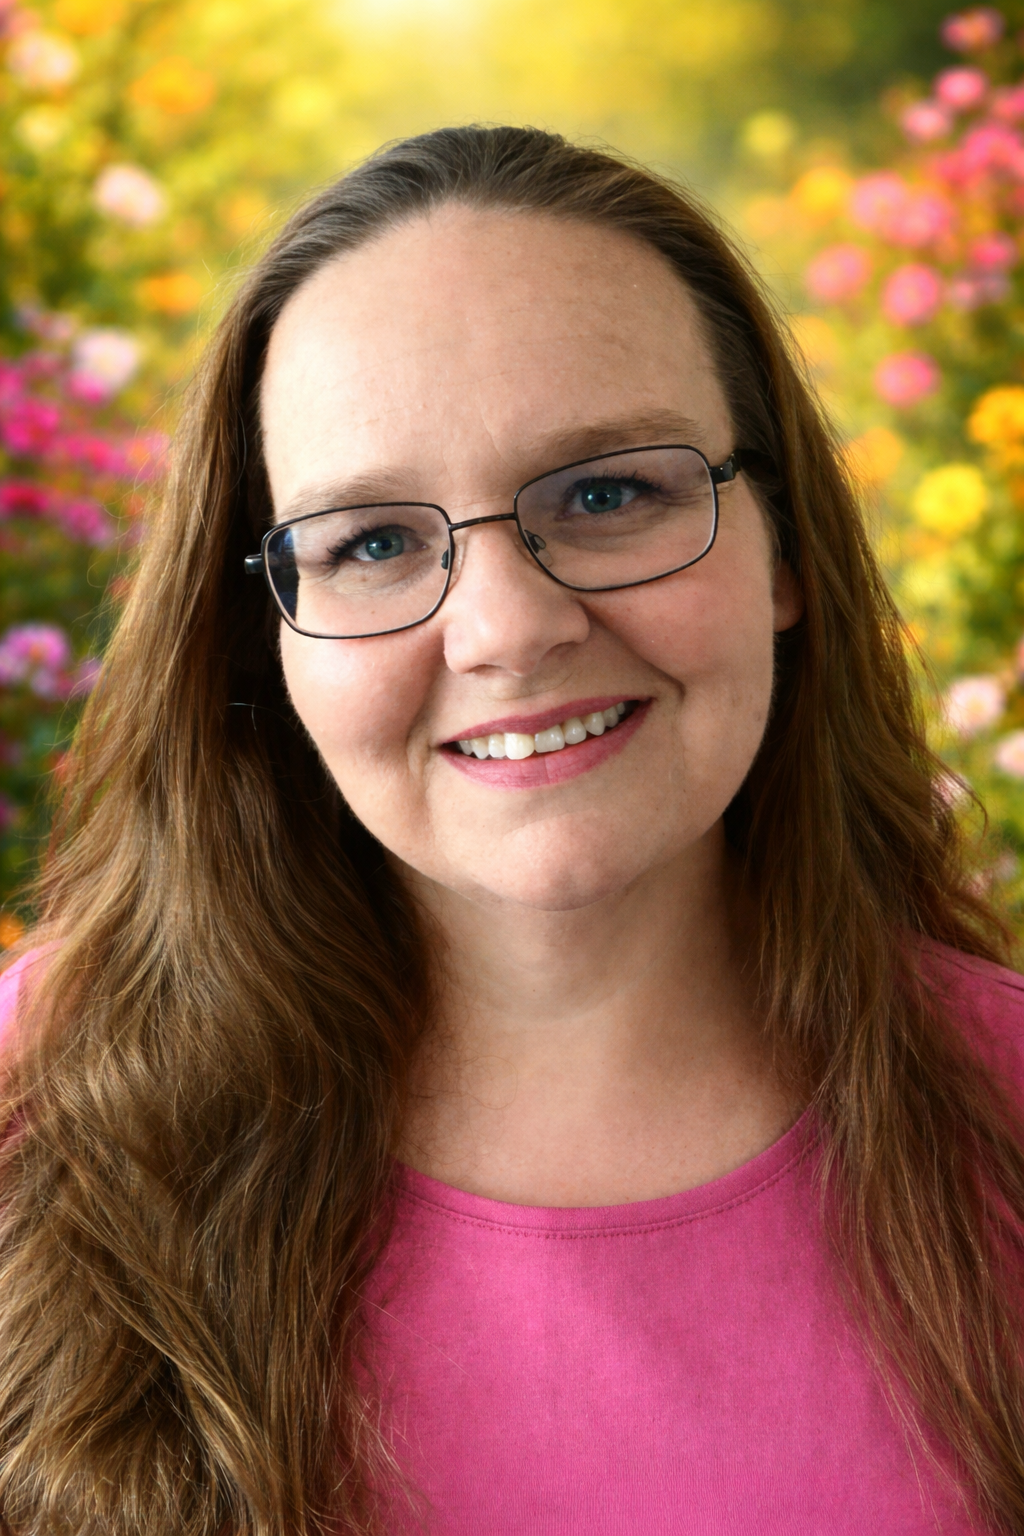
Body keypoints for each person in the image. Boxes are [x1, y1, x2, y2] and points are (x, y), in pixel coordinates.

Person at [1, 125, 1023, 1536]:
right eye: (370, 542)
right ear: (265, 637)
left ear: (784, 549)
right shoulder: (29, 1118)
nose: (508, 629)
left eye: (608, 495)